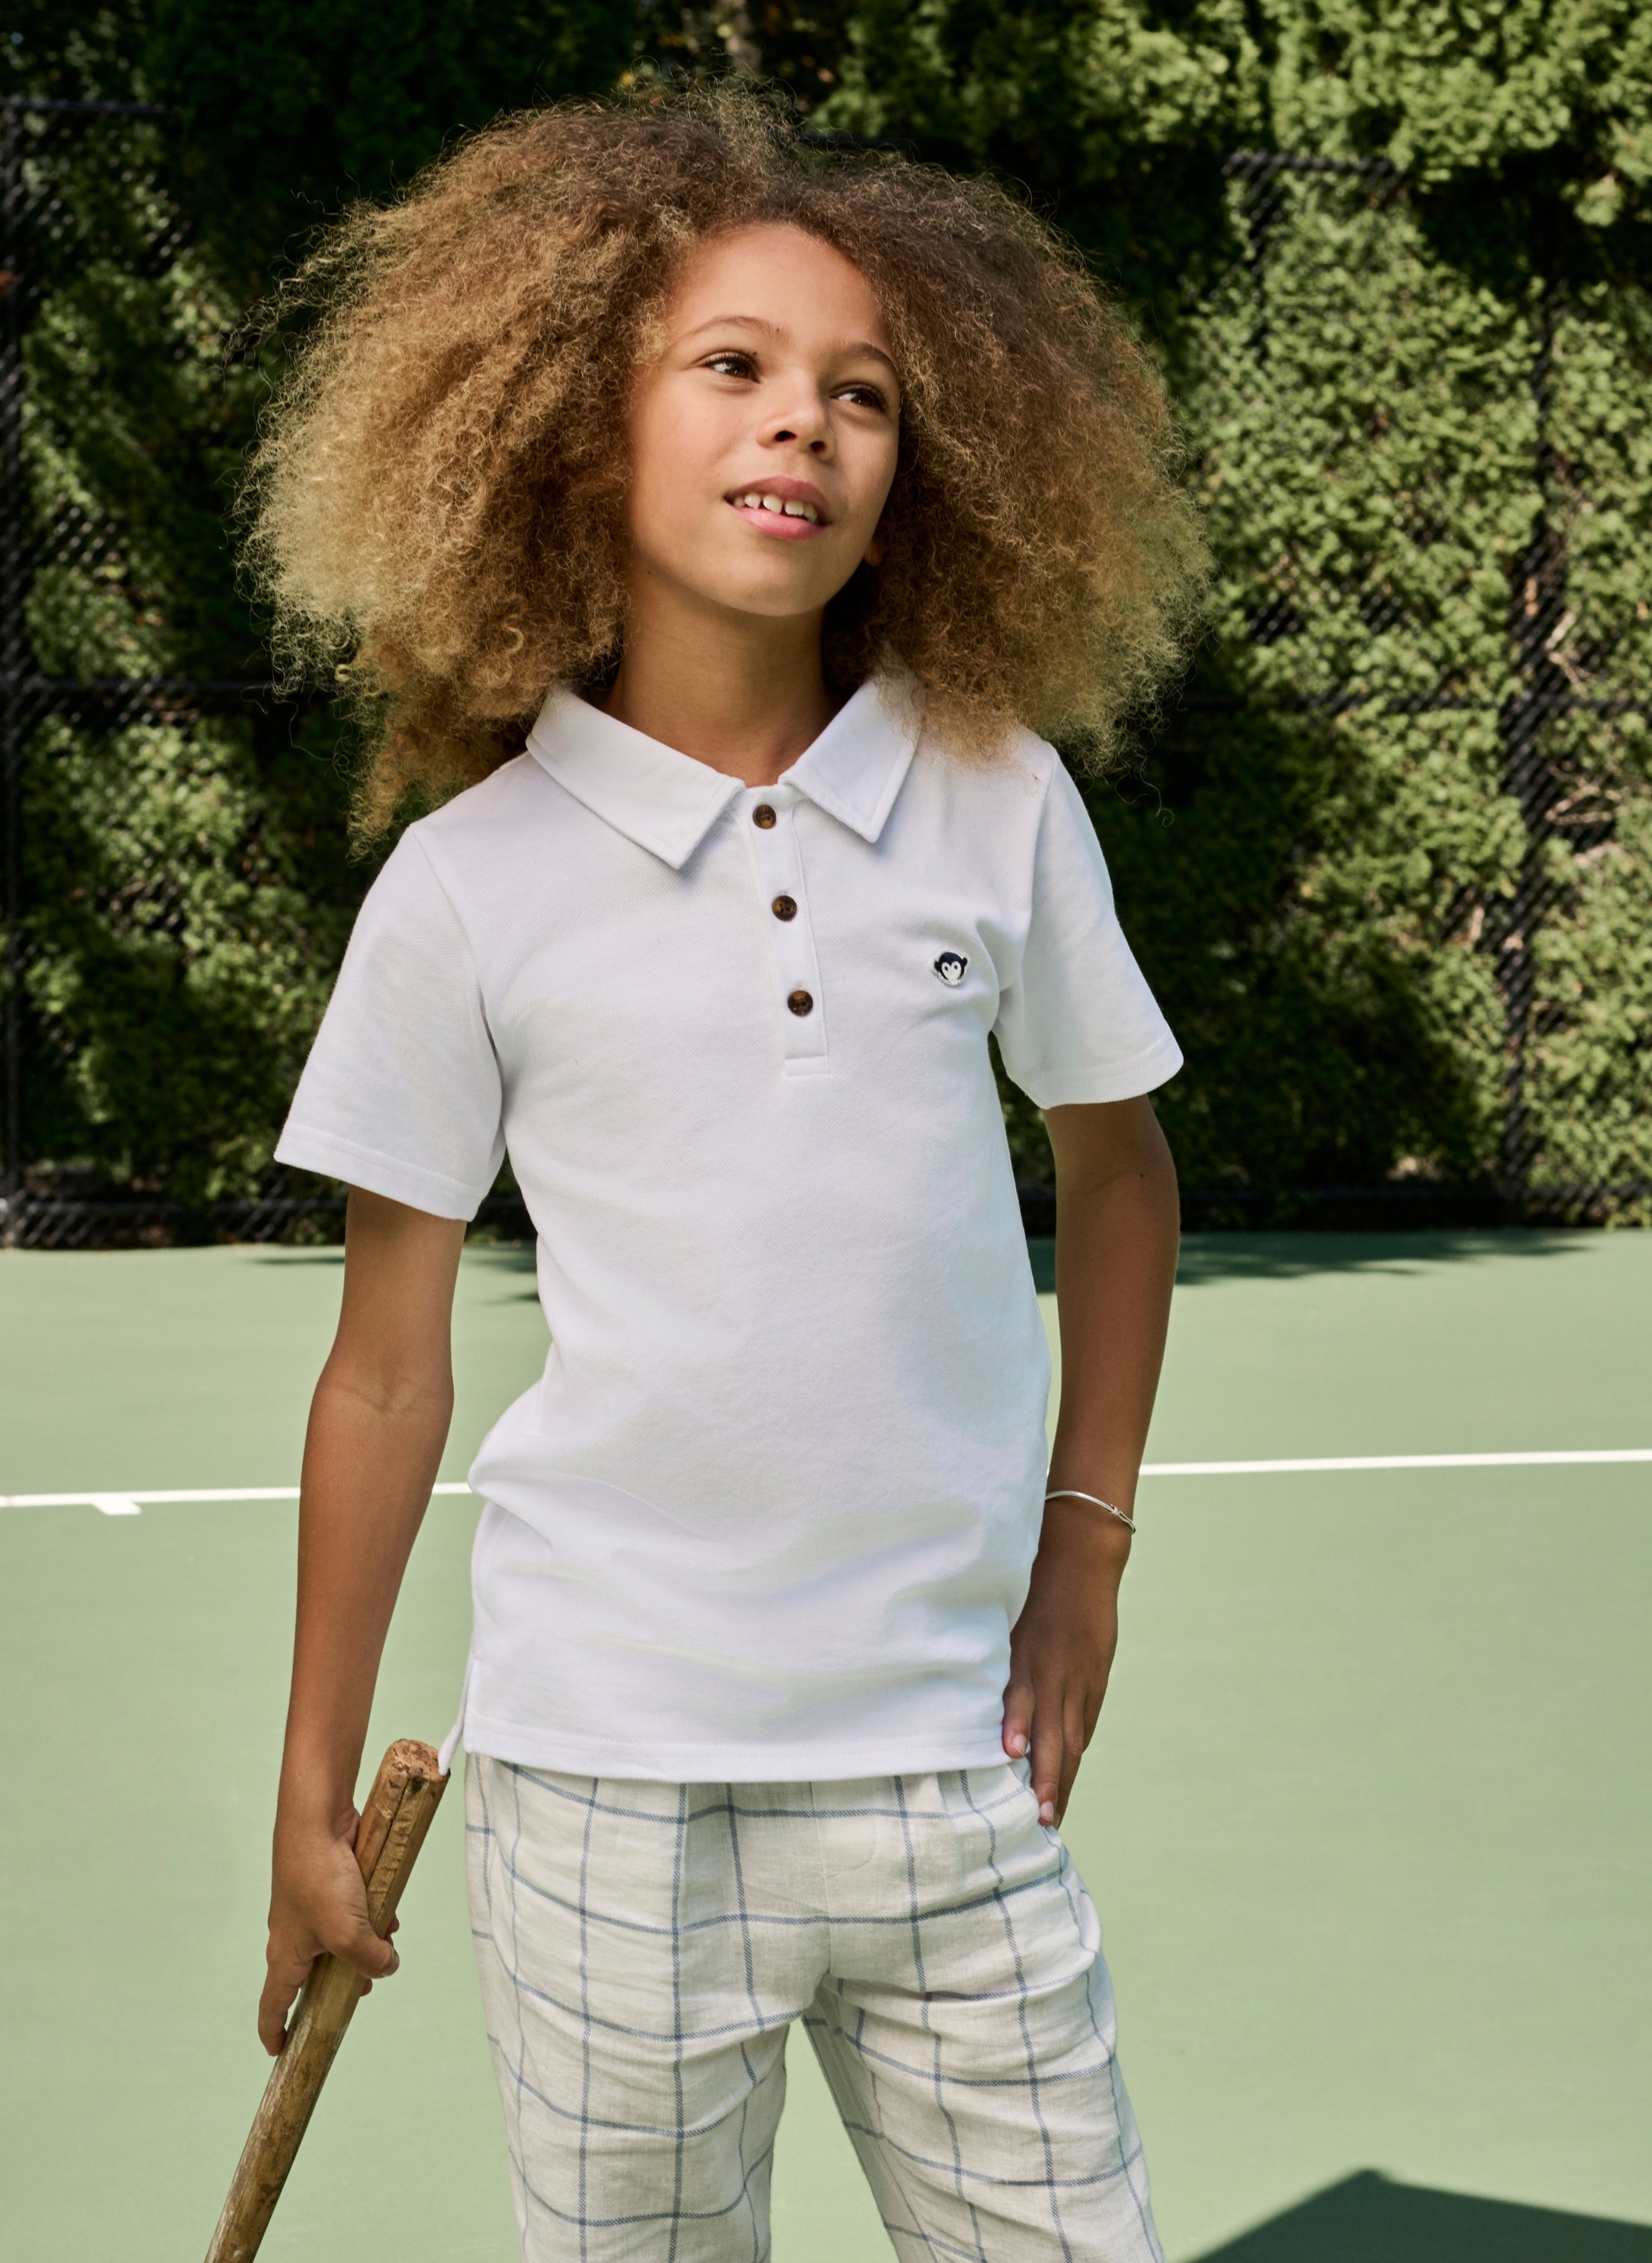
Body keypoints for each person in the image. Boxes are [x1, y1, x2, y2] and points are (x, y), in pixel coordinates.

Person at [247, 84, 1205, 2263]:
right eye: (736, 367)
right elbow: (385, 1374)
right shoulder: (465, 887)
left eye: (862, 392)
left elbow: (1118, 1165)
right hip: (606, 1792)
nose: (807, 424)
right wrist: (308, 1791)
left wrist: (1088, 1550)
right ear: (581, 436)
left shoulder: (996, 796)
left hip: (953, 1764)